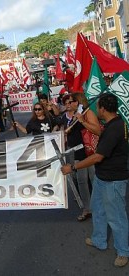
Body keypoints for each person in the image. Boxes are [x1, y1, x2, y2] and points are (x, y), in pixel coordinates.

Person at [61, 93, 129, 267]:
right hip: (102, 177)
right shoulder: (112, 124)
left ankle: (123, 252)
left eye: (97, 106)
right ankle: (99, 239)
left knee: (116, 217)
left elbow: (97, 157)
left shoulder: (115, 128)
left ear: (103, 109)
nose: (95, 109)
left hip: (113, 180)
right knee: (98, 210)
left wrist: (73, 167)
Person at [61, 93, 101, 221]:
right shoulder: (65, 117)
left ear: (77, 103)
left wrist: (82, 121)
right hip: (76, 152)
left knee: (94, 179)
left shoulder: (86, 113)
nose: (68, 104)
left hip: (89, 151)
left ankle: (99, 207)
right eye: (66, 102)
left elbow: (97, 130)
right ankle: (87, 208)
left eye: (71, 102)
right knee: (81, 180)